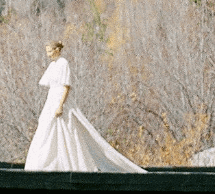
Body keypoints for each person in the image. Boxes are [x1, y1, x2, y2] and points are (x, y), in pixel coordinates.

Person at [23, 41, 145, 172]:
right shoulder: (53, 65)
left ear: (57, 50)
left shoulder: (63, 63)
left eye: (50, 51)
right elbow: (49, 84)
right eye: (47, 52)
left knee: (66, 130)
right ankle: (46, 164)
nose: (48, 55)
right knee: (47, 128)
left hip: (59, 100)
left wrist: (61, 105)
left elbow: (66, 87)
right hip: (51, 99)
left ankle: (71, 164)